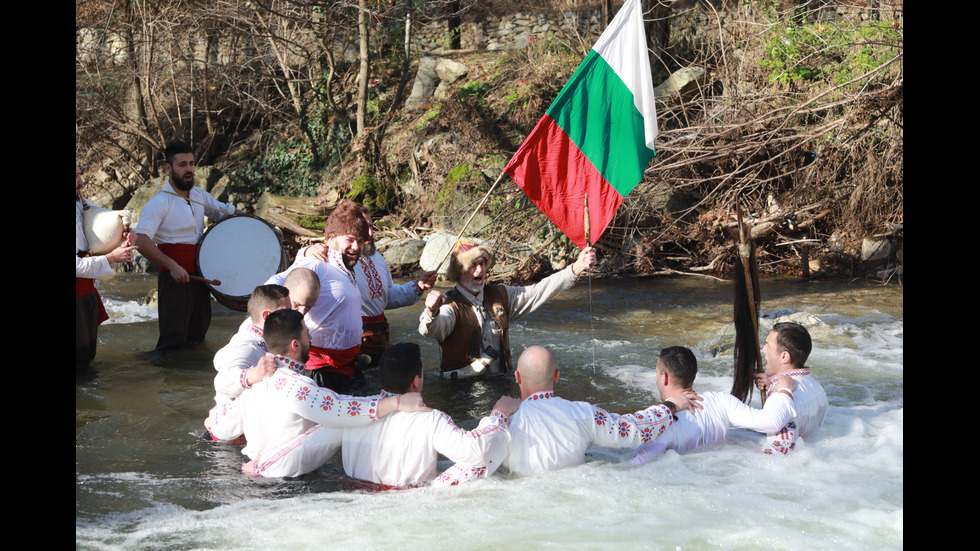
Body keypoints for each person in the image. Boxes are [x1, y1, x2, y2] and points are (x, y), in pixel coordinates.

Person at [204, 309, 429, 478]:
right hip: (281, 481)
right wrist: (396, 401)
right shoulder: (294, 385)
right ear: (295, 344)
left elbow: (222, 428)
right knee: (339, 422)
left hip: (259, 475)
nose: (310, 339)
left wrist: (213, 420)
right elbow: (339, 411)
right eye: (306, 335)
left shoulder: (255, 382)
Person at [490, 346, 701, 477]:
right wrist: (671, 405)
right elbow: (635, 430)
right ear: (556, 375)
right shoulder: (582, 413)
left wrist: (497, 414)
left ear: (517, 377)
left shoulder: (502, 422)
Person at [340, 342, 519, 488]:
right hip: (408, 507)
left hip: (356, 498)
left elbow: (312, 449)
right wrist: (499, 415)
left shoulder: (354, 410)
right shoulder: (430, 419)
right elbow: (476, 452)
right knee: (478, 463)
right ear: (417, 381)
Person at [419, 242, 596, 378]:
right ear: (459, 271)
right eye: (473, 265)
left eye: (482, 263)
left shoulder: (501, 294)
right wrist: (431, 313)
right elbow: (432, 328)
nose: (480, 270)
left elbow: (539, 291)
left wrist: (576, 268)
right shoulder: (449, 305)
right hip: (462, 393)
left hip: (502, 381)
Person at [134, 140, 244, 353]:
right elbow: (141, 240)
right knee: (172, 343)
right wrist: (172, 266)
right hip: (174, 278)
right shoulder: (159, 202)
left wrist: (260, 225)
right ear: (168, 168)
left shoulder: (199, 195)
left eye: (192, 163)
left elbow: (226, 212)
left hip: (201, 275)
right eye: (182, 164)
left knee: (197, 338)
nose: (189, 169)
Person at [301, 206, 437, 364]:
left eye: (371, 227)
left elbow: (387, 297)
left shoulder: (376, 257)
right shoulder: (333, 257)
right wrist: (306, 250)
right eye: (363, 228)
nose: (369, 234)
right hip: (347, 348)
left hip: (380, 339)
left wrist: (417, 286)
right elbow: (301, 269)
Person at [266, 199, 371, 393]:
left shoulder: (350, 269)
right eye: (349, 239)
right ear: (331, 238)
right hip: (319, 371)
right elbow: (272, 285)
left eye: (359, 241)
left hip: (348, 369)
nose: (356, 247)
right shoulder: (317, 264)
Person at [628, 346, 798, 466]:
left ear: (664, 377)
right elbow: (772, 422)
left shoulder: (663, 421)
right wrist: (783, 390)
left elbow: (638, 462)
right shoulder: (721, 401)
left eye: (656, 373)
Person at [76, 162, 138, 368]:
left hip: (86, 293)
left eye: (79, 174)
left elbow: (104, 217)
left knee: (87, 360)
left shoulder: (79, 202)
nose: (81, 182)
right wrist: (111, 258)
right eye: (75, 176)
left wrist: (125, 230)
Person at [753, 321, 829, 455]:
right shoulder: (816, 387)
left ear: (784, 357)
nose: (763, 350)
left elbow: (779, 454)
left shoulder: (782, 399)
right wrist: (772, 385)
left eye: (767, 345)